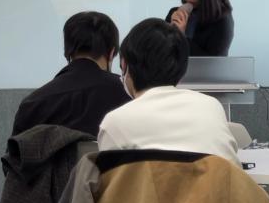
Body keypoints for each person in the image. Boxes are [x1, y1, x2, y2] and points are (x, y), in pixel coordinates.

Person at [98, 18, 239, 164]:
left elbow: (111, 178)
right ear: (182, 70)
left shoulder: (115, 123)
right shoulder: (211, 107)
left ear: (124, 64)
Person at [11, 11, 130, 137]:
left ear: (67, 52)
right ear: (111, 53)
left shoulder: (32, 103)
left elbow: (17, 148)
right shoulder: (128, 95)